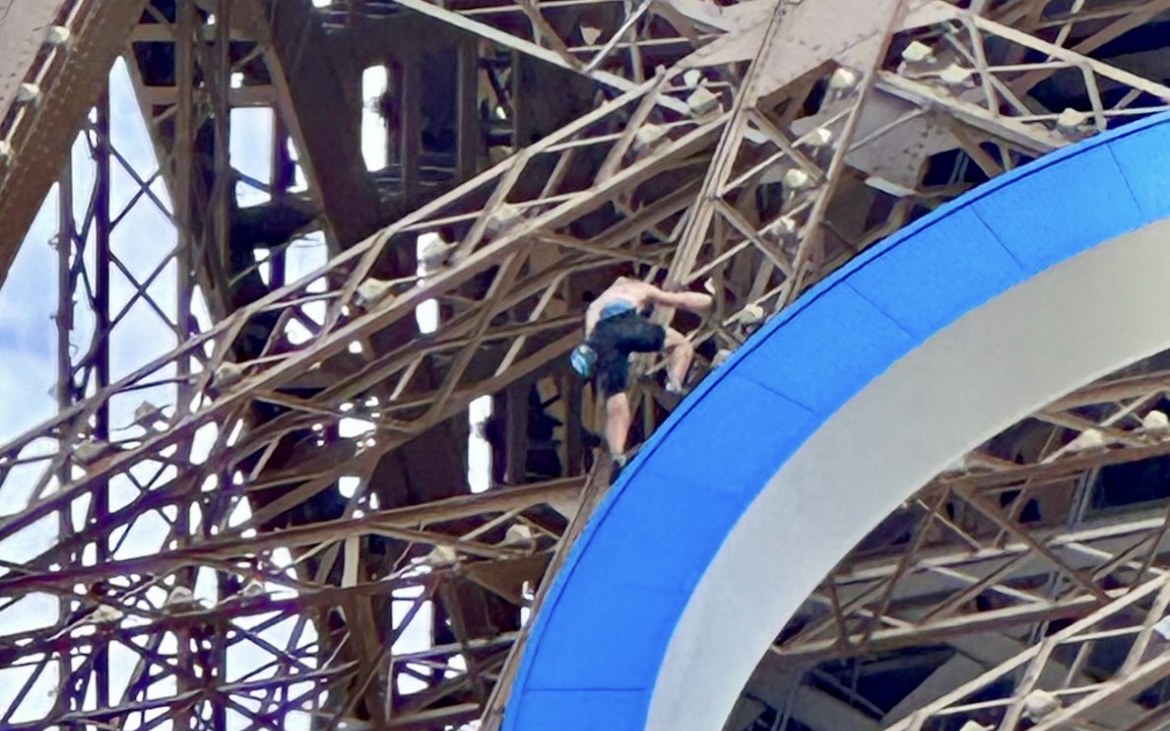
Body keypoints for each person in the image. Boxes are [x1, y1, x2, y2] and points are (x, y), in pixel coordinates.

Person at [570, 276, 713, 471]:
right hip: (628, 322)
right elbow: (680, 301)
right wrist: (711, 301)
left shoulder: (599, 302)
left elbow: (590, 333)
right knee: (680, 344)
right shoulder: (638, 288)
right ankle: (673, 384)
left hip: (602, 336)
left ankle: (617, 455)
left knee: (616, 397)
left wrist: (593, 351)